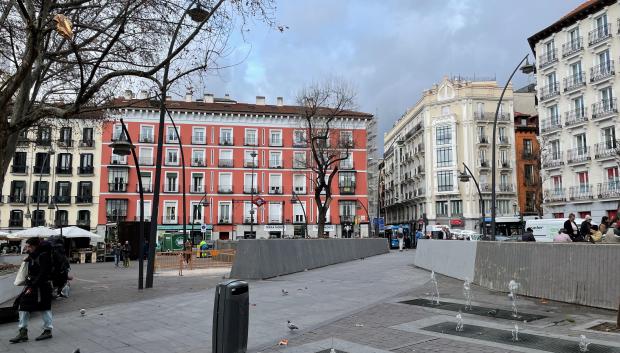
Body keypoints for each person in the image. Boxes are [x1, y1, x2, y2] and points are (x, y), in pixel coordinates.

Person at [10, 237, 54, 343]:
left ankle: (47, 330)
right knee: (23, 306)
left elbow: (43, 273)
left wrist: (33, 286)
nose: (28, 248)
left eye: (29, 246)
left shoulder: (44, 256)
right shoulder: (34, 255)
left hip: (41, 286)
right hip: (34, 285)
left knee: (44, 307)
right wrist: (29, 257)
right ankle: (23, 332)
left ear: (35, 246)